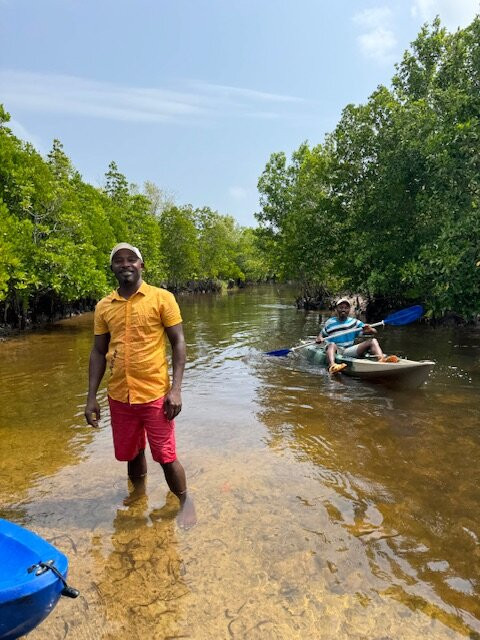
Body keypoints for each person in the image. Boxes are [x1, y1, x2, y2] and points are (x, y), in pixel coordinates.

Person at [84, 242, 196, 528]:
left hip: (156, 394)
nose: (125, 264)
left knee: (166, 456)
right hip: (120, 395)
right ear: (112, 268)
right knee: (132, 453)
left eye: (131, 259)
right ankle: (139, 497)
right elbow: (98, 352)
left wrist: (176, 390)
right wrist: (90, 398)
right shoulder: (104, 306)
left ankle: (185, 502)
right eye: (119, 260)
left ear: (141, 265)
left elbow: (179, 343)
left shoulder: (162, 298)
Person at [316, 298, 399, 374]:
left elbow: (374, 331)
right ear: (336, 309)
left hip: (348, 350)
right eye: (341, 307)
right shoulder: (330, 322)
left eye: (346, 308)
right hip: (335, 349)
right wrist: (319, 338)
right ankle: (332, 365)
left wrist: (369, 330)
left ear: (349, 310)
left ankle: (381, 359)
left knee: (373, 341)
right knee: (332, 344)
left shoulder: (355, 322)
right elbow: (321, 334)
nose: (343, 310)